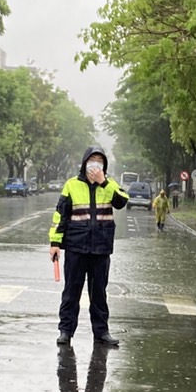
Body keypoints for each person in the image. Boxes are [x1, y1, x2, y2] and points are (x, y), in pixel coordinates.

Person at [50, 146, 127, 348]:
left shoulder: (109, 185)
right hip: (76, 246)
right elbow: (61, 215)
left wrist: (104, 182)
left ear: (104, 165)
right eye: (92, 160)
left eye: (99, 161)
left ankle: (102, 332)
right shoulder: (71, 185)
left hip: (101, 248)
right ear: (84, 163)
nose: (95, 164)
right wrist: (55, 243)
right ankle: (65, 331)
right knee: (71, 292)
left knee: (99, 293)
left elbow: (121, 201)